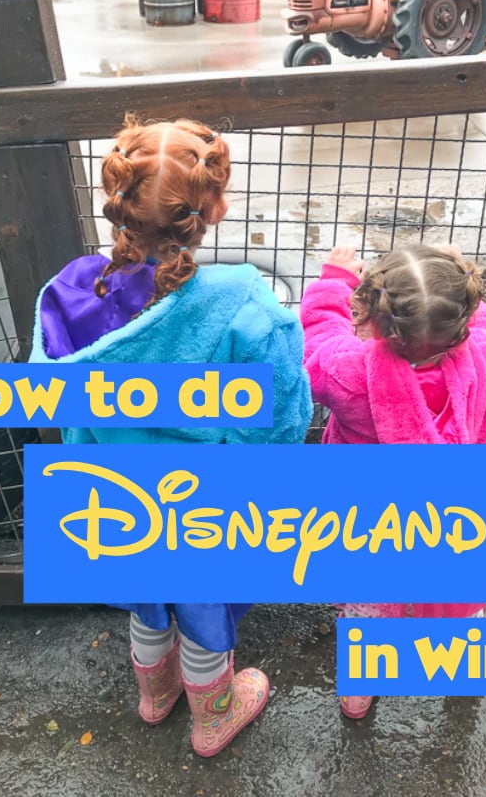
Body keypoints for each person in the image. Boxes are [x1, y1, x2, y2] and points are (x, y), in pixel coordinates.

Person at [30, 116, 313, 757]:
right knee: (204, 600)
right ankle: (213, 714)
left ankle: (155, 694)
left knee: (144, 590)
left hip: (111, 492)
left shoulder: (72, 293)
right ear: (211, 206)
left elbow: (55, 398)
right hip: (202, 499)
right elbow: (282, 417)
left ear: (120, 199)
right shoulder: (239, 300)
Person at [300, 241, 486, 719]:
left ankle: (359, 696)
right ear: (463, 318)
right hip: (453, 509)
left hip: (370, 515)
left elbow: (316, 345)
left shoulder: (350, 372)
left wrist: (334, 280)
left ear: (375, 322)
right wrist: (456, 294)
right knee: (461, 594)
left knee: (370, 600)